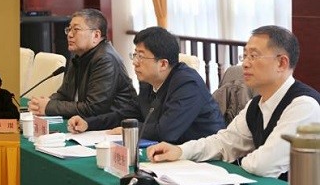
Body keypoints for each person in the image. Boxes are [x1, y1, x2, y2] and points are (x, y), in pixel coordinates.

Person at [146, 25, 320, 179]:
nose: (245, 64)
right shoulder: (256, 105)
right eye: (244, 56)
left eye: (254, 56)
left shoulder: (304, 106)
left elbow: (263, 165)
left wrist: (241, 160)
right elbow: (224, 142)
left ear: (281, 63)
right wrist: (180, 151)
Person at [68, 27, 225, 142]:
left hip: (205, 160)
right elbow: (127, 113)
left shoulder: (188, 84)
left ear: (163, 64)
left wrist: (128, 129)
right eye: (135, 55)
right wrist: (89, 123)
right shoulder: (148, 81)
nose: (135, 62)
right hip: (169, 152)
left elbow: (166, 131)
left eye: (141, 57)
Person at [28, 8, 140, 120]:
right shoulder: (79, 55)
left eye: (76, 29)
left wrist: (49, 107)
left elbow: (93, 108)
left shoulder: (106, 59)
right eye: (69, 29)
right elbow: (64, 94)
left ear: (96, 36)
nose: (69, 35)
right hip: (89, 122)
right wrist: (45, 102)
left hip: (116, 124)